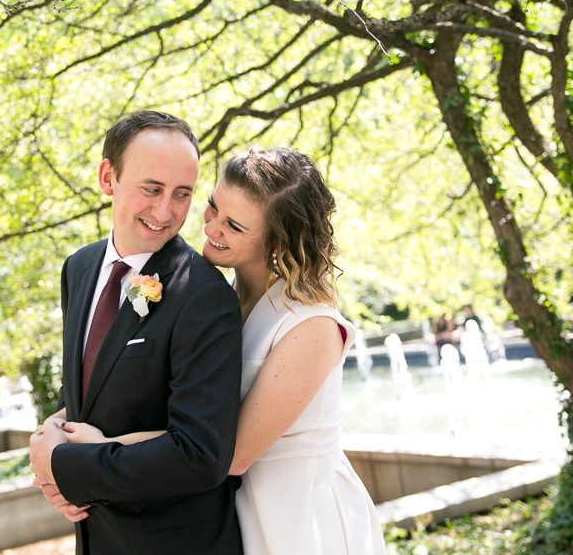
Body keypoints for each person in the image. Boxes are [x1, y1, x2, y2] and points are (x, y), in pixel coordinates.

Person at [60, 148, 388, 555]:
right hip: (226, 511)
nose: (211, 227)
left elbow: (229, 453)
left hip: (296, 516)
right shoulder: (219, 297)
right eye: (213, 206)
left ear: (276, 240)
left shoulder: (312, 326)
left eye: (233, 225)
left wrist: (102, 447)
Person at [28, 111, 244, 555]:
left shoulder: (204, 295)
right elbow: (92, 387)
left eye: (181, 194)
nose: (165, 212)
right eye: (152, 189)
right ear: (108, 177)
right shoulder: (78, 268)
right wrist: (55, 463)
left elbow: (200, 456)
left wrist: (68, 465)